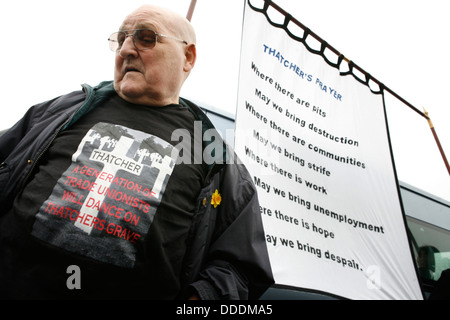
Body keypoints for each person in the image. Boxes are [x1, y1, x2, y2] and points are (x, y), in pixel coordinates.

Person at [0, 4, 273, 299]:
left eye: (146, 38)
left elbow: (239, 269)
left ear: (188, 57)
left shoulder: (214, 156)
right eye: (121, 39)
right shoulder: (64, 110)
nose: (126, 50)